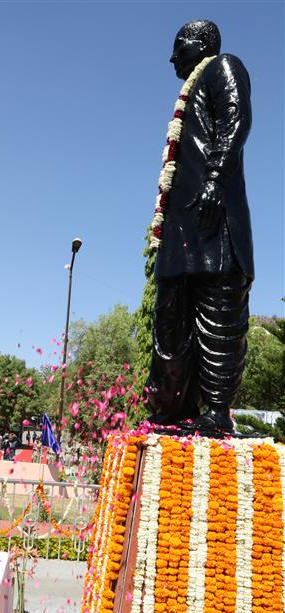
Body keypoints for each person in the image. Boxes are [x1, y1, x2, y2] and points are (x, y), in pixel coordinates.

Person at [146, 20, 253, 432]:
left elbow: (236, 120)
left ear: (204, 43)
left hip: (213, 220)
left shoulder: (222, 66)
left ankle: (214, 413)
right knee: (172, 318)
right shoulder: (187, 93)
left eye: (180, 44)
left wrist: (214, 180)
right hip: (181, 228)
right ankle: (175, 409)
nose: (173, 56)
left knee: (218, 316)